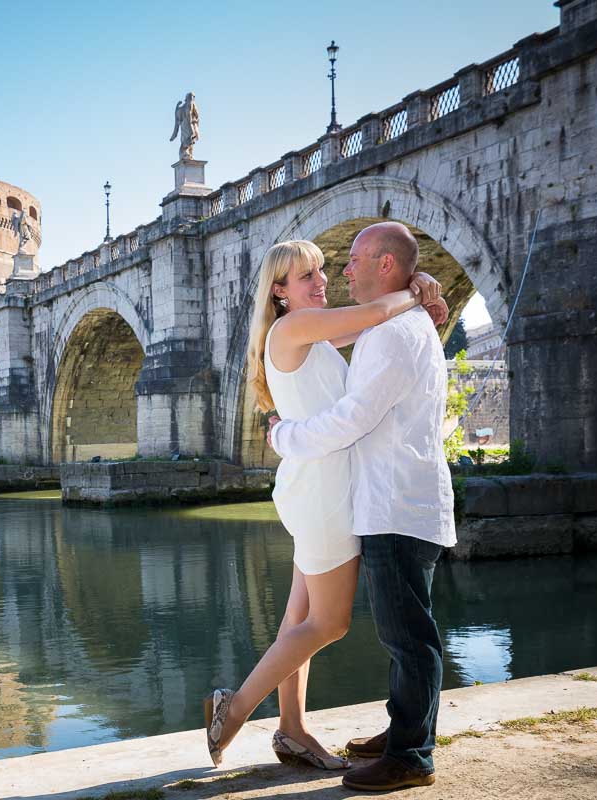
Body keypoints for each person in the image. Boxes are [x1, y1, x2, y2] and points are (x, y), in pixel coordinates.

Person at [204, 237, 448, 771]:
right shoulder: (293, 328)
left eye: (321, 271)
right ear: (280, 291)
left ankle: (292, 729)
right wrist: (415, 287)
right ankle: (236, 707)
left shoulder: (313, 334)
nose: (321, 281)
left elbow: (376, 324)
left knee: (298, 616)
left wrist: (414, 293)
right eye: (307, 276)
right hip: (324, 492)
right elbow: (379, 310)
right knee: (330, 623)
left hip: (320, 484)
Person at [267, 222, 457, 792]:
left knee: (409, 638)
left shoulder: (395, 332)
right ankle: (405, 729)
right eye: (321, 270)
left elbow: (352, 420)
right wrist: (417, 286)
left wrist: (282, 437)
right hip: (388, 499)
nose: (340, 271)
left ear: (383, 266)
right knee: (404, 635)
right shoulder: (388, 323)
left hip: (397, 504)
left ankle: (412, 756)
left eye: (351, 260)